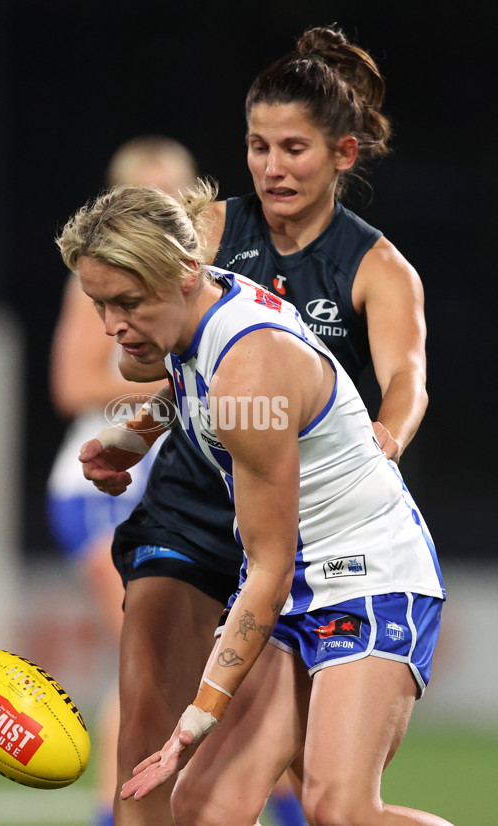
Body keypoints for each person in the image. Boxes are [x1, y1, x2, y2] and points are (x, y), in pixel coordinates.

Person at [78, 26, 431, 826]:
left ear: (342, 154)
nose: (272, 166)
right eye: (257, 146)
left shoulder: (374, 268)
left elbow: (407, 379)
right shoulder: (205, 236)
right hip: (198, 512)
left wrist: (385, 439)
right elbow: (184, 370)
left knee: (327, 800)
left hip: (310, 535)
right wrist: (135, 435)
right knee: (160, 756)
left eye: (293, 148)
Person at [46, 136, 198, 826]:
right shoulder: (104, 279)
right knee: (154, 657)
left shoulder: (196, 281)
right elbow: (73, 385)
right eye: (146, 192)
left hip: (167, 486)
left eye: (173, 192)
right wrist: (175, 394)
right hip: (103, 487)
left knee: (191, 660)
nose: (161, 203)